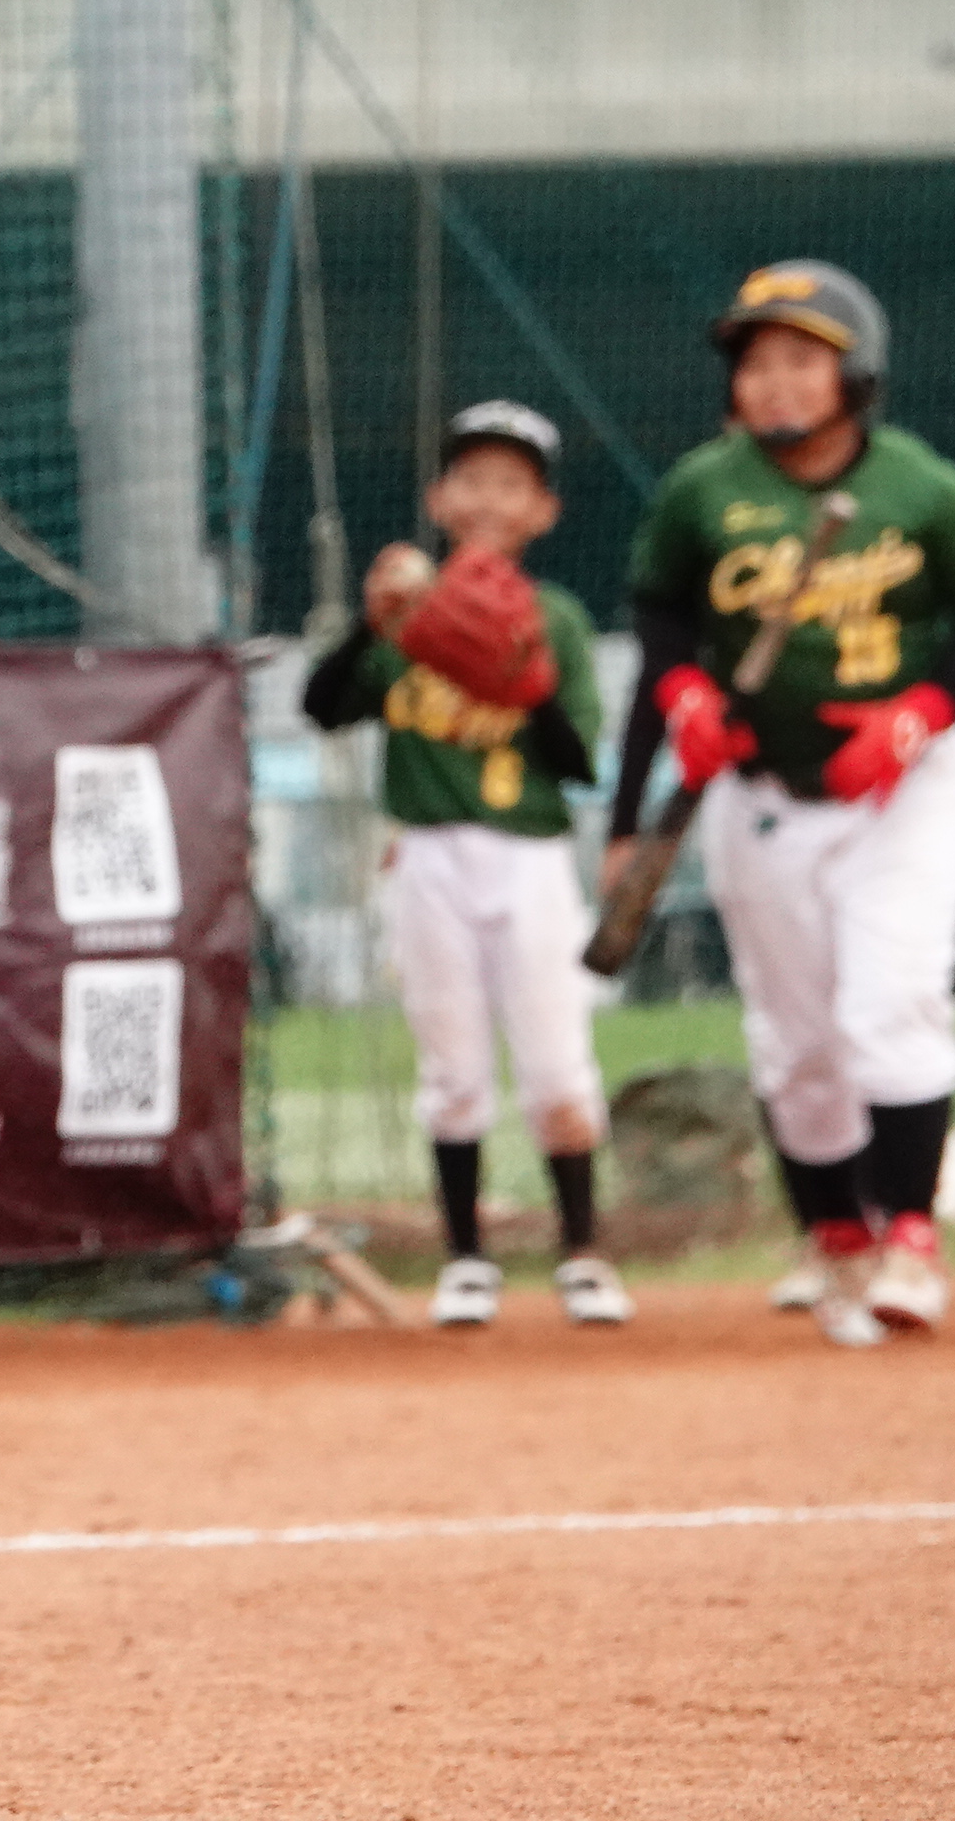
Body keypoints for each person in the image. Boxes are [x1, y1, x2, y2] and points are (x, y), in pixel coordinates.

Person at [605, 263, 955, 1348]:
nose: (775, 382)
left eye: (802, 359)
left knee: (892, 1007)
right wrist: (684, 692)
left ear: (856, 373)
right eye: (756, 362)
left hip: (903, 795)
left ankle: (912, 1238)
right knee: (795, 1043)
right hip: (763, 797)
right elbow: (659, 614)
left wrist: (922, 714)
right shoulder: (702, 490)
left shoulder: (921, 487)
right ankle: (836, 1234)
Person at [304, 401, 628, 1328]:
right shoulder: (410, 613)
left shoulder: (554, 618)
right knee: (452, 1070)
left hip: (528, 857)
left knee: (557, 1068)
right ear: (439, 498)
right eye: (473, 480)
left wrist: (524, 680)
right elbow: (324, 706)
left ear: (543, 511)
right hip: (427, 855)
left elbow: (579, 763)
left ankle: (583, 1253)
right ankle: (466, 1260)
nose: (489, 499)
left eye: (512, 485)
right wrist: (370, 627)